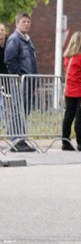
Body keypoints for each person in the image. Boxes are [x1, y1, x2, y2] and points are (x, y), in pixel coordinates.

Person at [4, 12, 37, 152]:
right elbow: (9, 60)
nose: (26, 24)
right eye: (23, 21)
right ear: (17, 23)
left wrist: (35, 83)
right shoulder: (14, 39)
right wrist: (18, 77)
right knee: (18, 112)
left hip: (29, 83)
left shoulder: (28, 40)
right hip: (20, 83)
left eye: (28, 21)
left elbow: (33, 63)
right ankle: (16, 141)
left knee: (24, 112)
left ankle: (21, 139)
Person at [61, 31, 81, 151]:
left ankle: (65, 141)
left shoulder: (67, 57)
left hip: (69, 91)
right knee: (80, 116)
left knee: (68, 115)